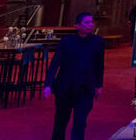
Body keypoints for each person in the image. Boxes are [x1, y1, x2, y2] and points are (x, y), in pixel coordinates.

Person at [43, 12, 104, 140]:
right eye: (86, 22)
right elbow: (55, 63)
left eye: (91, 22)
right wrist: (48, 84)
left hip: (85, 87)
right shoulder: (66, 42)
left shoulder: (98, 42)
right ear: (77, 26)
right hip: (65, 87)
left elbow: (99, 65)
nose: (90, 25)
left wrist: (99, 85)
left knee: (80, 121)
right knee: (61, 120)